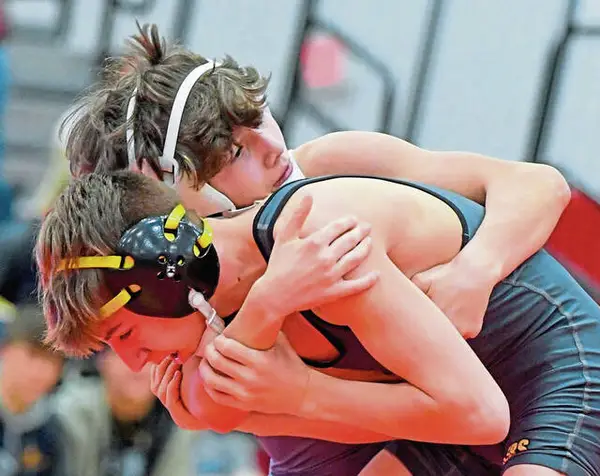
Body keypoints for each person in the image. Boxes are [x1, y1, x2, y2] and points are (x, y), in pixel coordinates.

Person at [37, 170, 600, 476]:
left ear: (165, 275)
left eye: (125, 335)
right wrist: (280, 364)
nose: (134, 362)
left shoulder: (318, 241)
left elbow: (481, 414)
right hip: (448, 425)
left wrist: (303, 392)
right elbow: (214, 407)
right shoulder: (210, 317)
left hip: (555, 371)